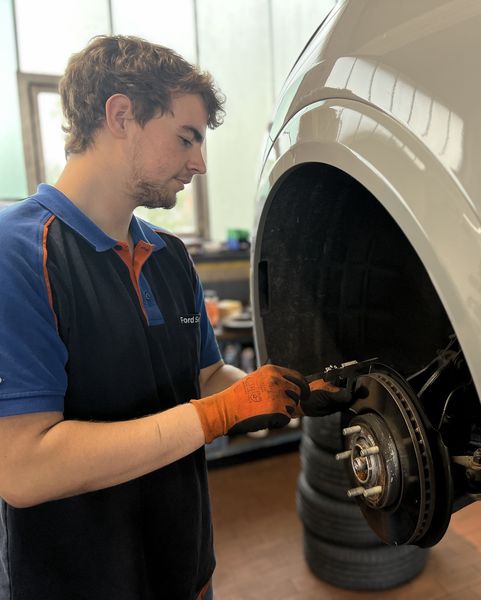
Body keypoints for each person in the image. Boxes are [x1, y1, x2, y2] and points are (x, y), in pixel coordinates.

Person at [0, 35, 352, 600]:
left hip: (184, 565)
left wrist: (281, 394)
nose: (200, 163)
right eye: (186, 138)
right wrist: (217, 415)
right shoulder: (18, 253)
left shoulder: (169, 255)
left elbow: (207, 378)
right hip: (79, 582)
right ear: (121, 116)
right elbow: (24, 468)